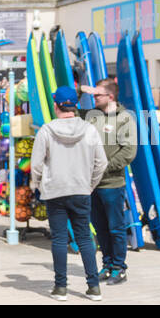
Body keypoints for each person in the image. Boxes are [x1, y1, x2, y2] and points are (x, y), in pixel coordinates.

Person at [30, 86, 107, 301]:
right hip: (81, 190)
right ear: (76, 105)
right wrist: (89, 185)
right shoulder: (89, 129)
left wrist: (38, 184)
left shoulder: (46, 130)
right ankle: (93, 287)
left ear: (56, 105)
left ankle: (60, 287)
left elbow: (36, 164)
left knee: (60, 238)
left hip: (55, 191)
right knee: (84, 238)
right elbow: (102, 163)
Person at [82, 78, 137, 285]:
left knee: (116, 227)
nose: (94, 97)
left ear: (110, 97)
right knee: (100, 227)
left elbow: (129, 152)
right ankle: (106, 264)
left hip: (112, 184)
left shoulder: (124, 119)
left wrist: (103, 167)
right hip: (92, 185)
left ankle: (119, 267)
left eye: (97, 94)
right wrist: (80, 90)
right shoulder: (92, 117)